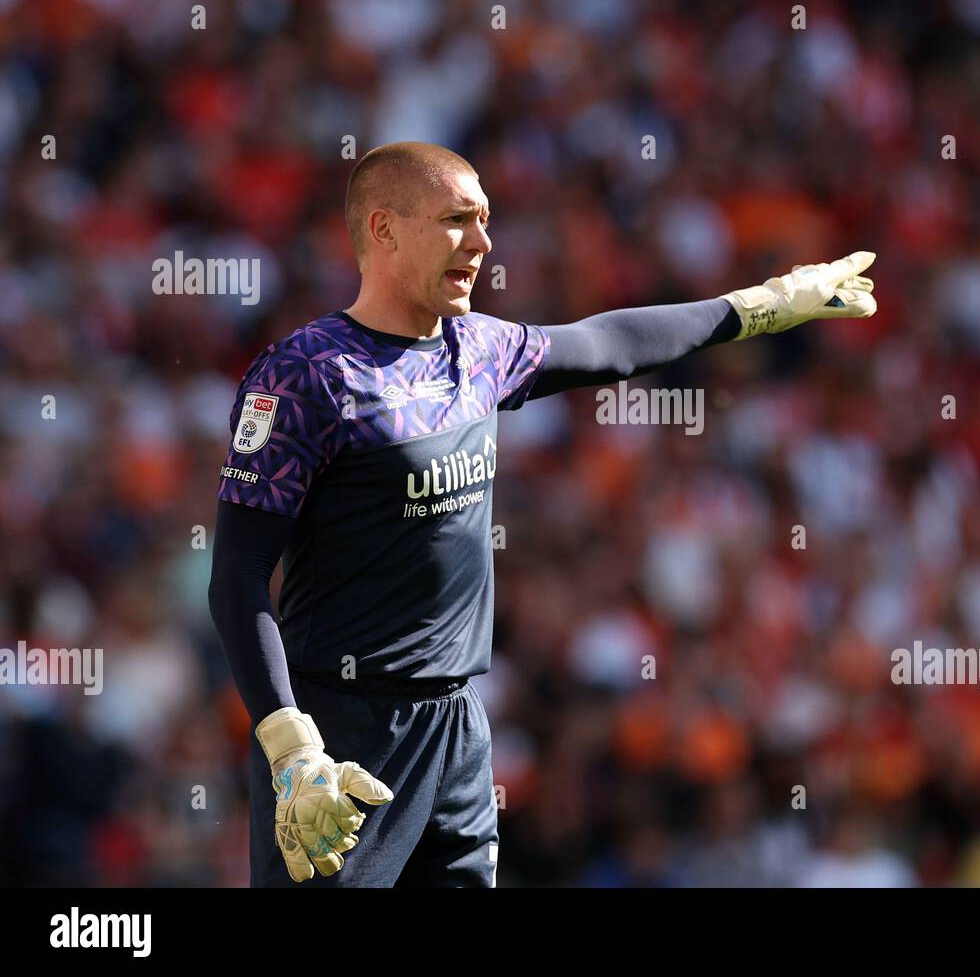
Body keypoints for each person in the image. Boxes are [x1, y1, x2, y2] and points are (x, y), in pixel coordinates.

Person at [207, 141, 878, 887]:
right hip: (343, 738)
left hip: (458, 729)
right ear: (385, 229)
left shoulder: (481, 349)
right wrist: (291, 745)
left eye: (486, 221)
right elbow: (236, 575)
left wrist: (758, 306)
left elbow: (609, 343)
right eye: (458, 220)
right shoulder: (304, 376)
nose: (484, 243)